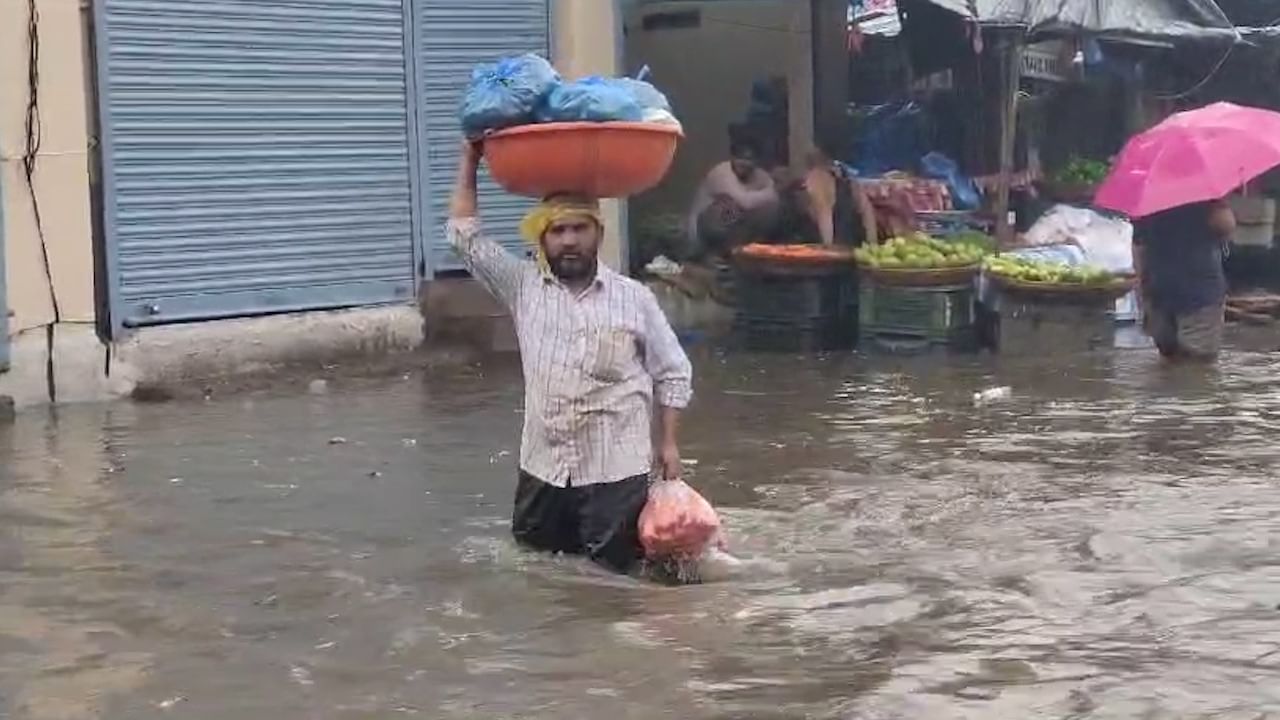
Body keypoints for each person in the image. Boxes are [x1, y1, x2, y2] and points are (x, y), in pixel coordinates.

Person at [447, 141, 695, 574]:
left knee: (615, 583)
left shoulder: (633, 299)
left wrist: (669, 443)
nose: (569, 241)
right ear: (542, 239)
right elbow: (463, 238)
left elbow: (672, 372)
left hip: (615, 473)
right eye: (558, 231)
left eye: (579, 229)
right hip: (543, 469)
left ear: (599, 233)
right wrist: (470, 159)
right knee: (537, 573)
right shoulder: (522, 287)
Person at [1133, 198, 1236, 361]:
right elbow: (1226, 226)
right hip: (1200, 290)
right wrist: (1220, 205)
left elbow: (1139, 248)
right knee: (1198, 365)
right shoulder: (1204, 195)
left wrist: (1143, 293)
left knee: (1168, 361)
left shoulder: (1148, 199)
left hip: (1159, 290)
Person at [686, 137, 781, 261]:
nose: (744, 163)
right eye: (740, 158)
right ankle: (712, 254)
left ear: (757, 161)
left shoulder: (760, 175)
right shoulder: (721, 172)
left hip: (736, 233)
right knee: (730, 207)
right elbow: (745, 202)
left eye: (749, 159)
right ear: (732, 158)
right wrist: (774, 191)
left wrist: (778, 187)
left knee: (771, 209)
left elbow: (775, 199)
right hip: (701, 233)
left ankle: (746, 253)